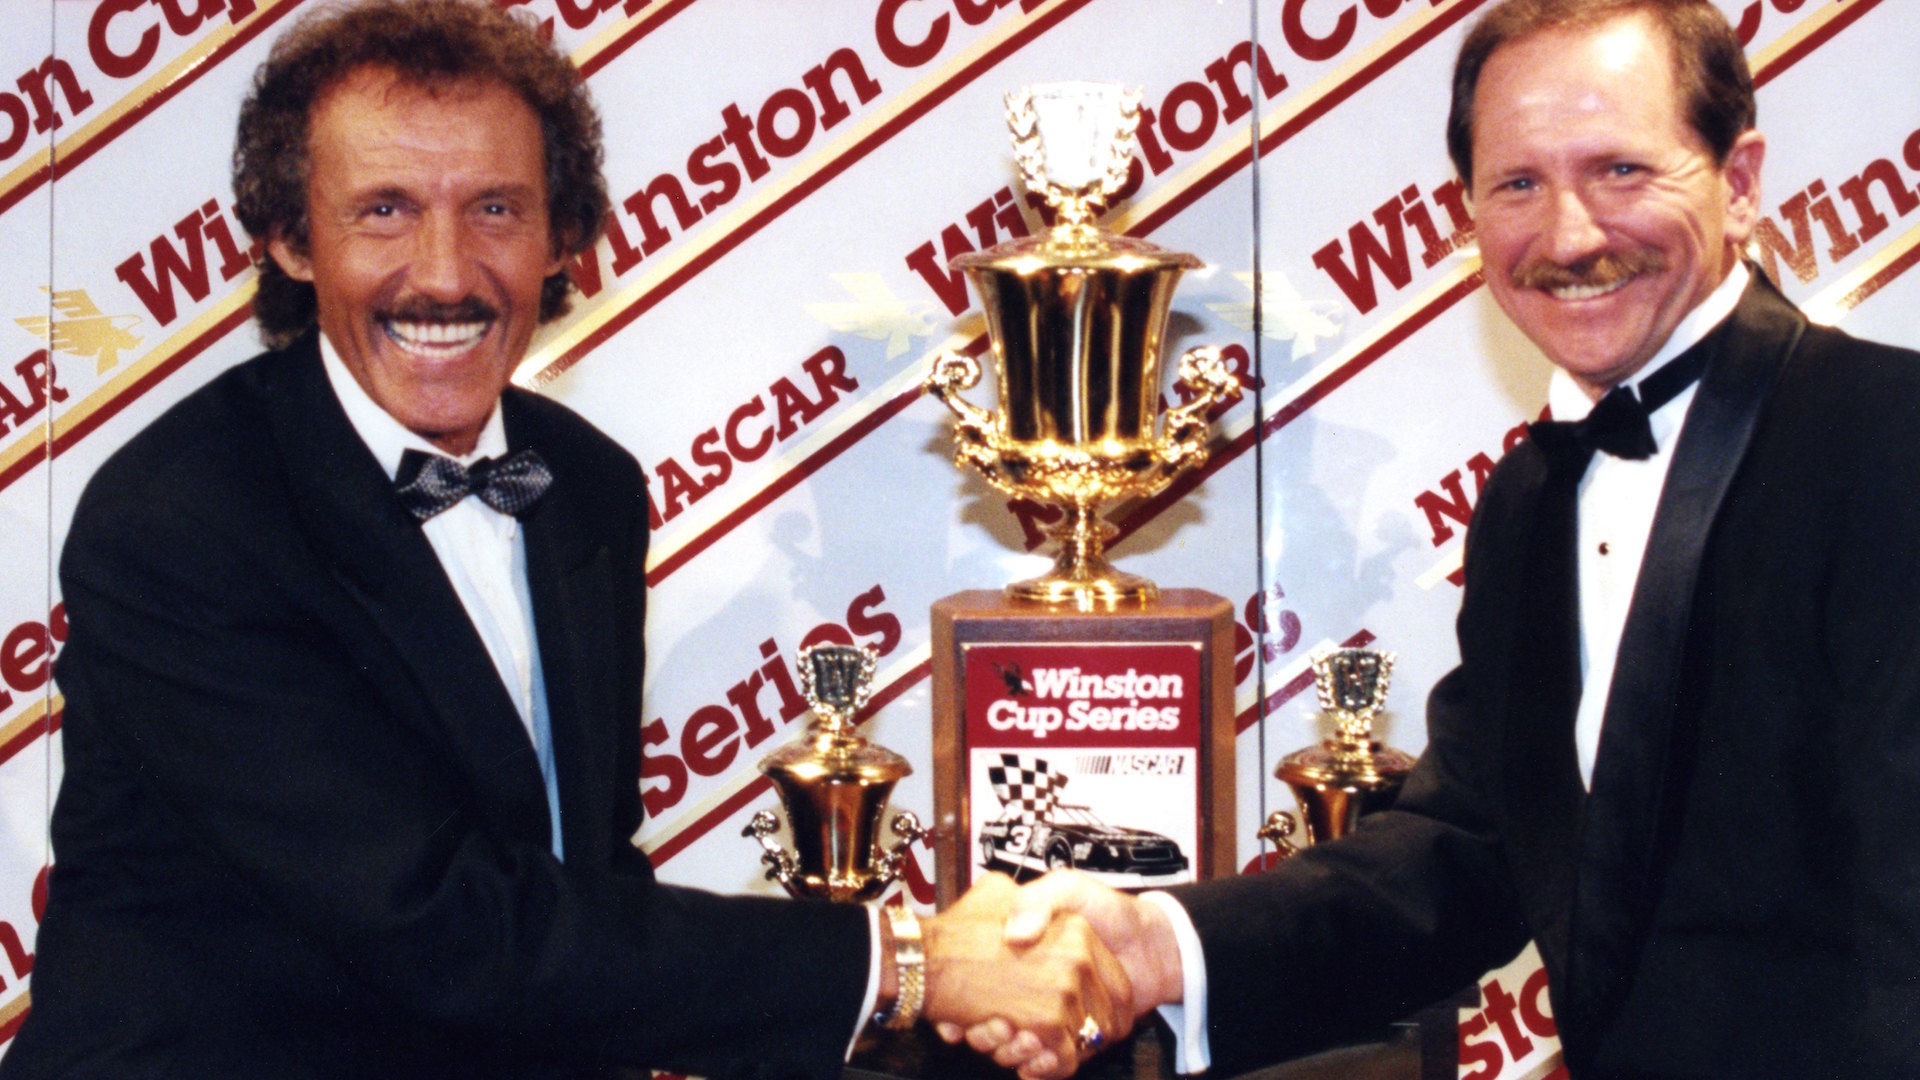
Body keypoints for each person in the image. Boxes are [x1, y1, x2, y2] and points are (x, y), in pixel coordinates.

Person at [0, 3, 1130, 1078]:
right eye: (383, 209)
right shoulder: (181, 520)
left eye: (495, 209)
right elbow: (442, 925)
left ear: (562, 237)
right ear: (292, 241)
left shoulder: (587, 484)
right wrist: (912, 966)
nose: (445, 274)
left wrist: (957, 995)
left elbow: (584, 884)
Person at [976, 1, 1920, 1076]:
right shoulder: (1527, 500)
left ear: (1738, 183)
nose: (1569, 237)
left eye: (1620, 171)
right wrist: (1159, 946)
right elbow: (1468, 851)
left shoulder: (1892, 441)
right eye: (1518, 185)